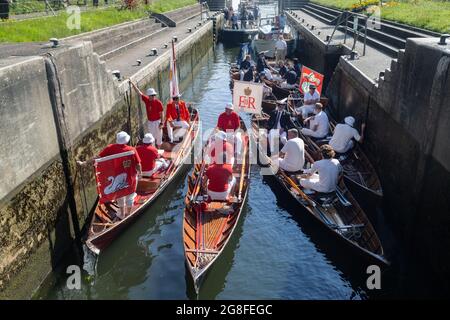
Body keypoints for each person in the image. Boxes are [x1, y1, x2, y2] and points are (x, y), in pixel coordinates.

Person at [77, 131, 142, 218]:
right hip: (131, 177)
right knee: (130, 196)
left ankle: (122, 214)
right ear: (126, 141)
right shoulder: (132, 150)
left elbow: (97, 158)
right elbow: (138, 164)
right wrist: (140, 173)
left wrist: (84, 163)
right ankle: (128, 214)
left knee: (119, 195)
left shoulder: (110, 148)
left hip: (117, 177)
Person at [131, 84, 164, 148]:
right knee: (152, 136)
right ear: (149, 96)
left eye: (154, 95)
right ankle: (154, 149)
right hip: (150, 122)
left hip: (157, 121)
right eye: (151, 95)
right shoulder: (146, 100)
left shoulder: (158, 102)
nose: (153, 96)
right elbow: (139, 93)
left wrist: (161, 123)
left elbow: (162, 113)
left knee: (159, 136)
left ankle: (159, 147)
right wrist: (133, 84)